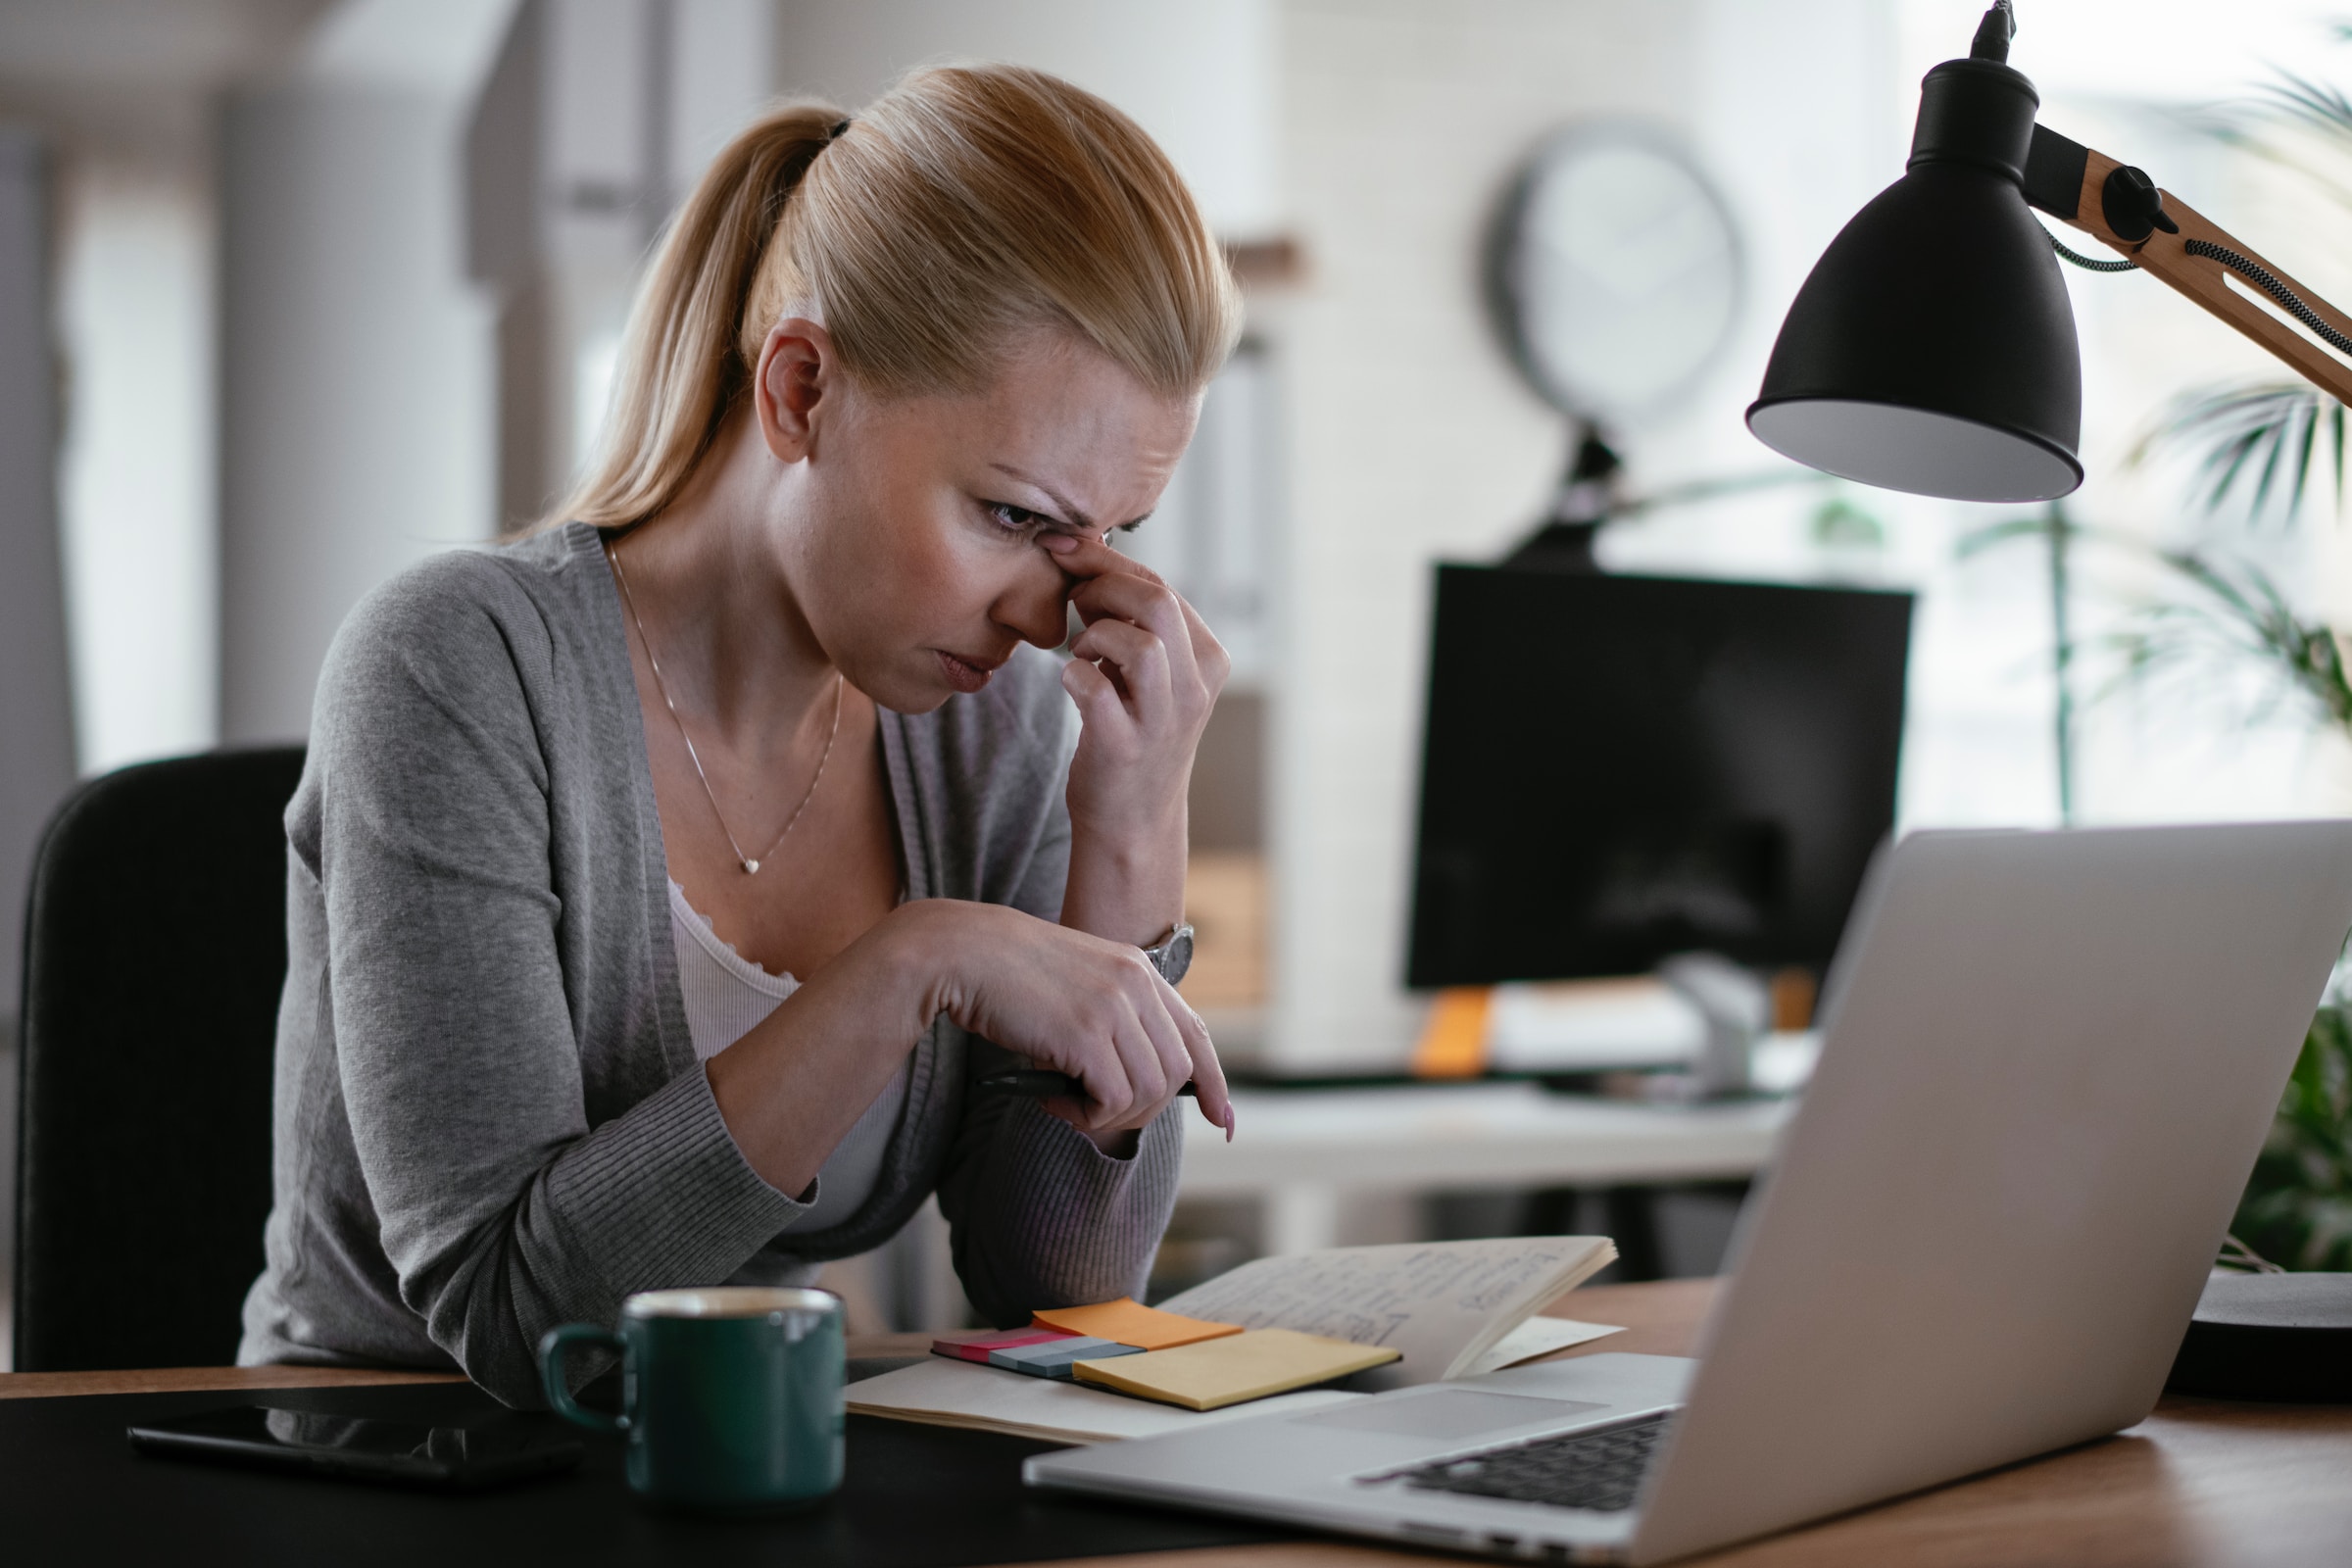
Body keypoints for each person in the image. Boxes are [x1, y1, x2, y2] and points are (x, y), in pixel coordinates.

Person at [238, 63, 1242, 1406]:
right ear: (802, 390)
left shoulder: (984, 730)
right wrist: (913, 964)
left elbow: (1060, 1293)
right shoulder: (454, 666)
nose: (1050, 610)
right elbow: (515, 1315)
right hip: (393, 1468)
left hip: (745, 1456)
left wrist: (1128, 838)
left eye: (1104, 539)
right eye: (1011, 515)